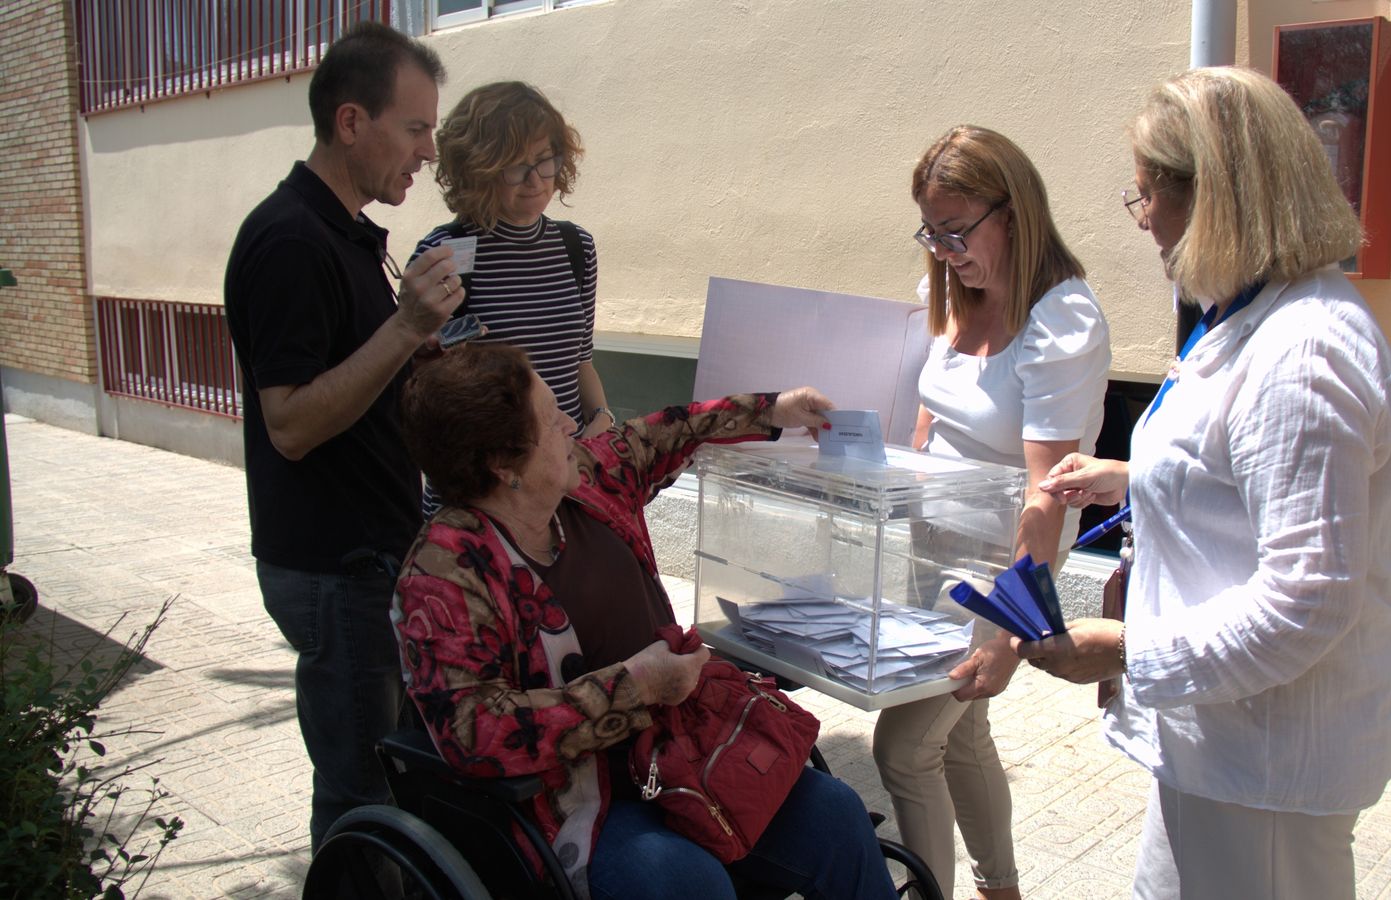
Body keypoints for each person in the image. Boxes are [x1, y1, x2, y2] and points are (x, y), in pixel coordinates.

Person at [1028, 66, 1391, 899]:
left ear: (1217, 198)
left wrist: (1127, 651)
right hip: (1223, 746)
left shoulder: (1304, 354)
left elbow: (1306, 600)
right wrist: (1135, 479)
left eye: (1146, 197)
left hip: (1267, 763)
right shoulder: (1251, 313)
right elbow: (1243, 472)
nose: (1142, 223)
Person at [392, 342, 899, 900]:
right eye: (549, 415)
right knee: (684, 882)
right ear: (505, 465)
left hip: (683, 753)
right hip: (579, 800)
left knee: (834, 813)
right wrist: (634, 688)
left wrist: (774, 410)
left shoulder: (583, 482)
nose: (569, 421)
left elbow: (664, 435)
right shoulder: (444, 574)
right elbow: (473, 730)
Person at [222, 22, 464, 851]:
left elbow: (353, 372)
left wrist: (412, 349)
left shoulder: (343, 231)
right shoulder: (292, 239)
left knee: (380, 786)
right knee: (362, 795)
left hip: (366, 556)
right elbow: (289, 424)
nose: (428, 151)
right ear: (352, 122)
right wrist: (402, 332)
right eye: (416, 127)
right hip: (336, 566)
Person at [876, 125, 1111, 900]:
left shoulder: (1061, 319)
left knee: (905, 746)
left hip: (1001, 564)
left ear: (1013, 214)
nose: (942, 251)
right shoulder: (948, 292)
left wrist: (1015, 632)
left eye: (956, 230)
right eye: (930, 232)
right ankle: (1000, 890)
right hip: (931, 542)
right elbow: (926, 423)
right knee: (961, 729)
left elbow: (1049, 494)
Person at [414, 80, 611, 439]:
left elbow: (581, 362)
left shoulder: (575, 245)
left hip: (566, 474)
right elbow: (428, 389)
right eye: (516, 165)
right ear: (479, 169)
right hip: (487, 481)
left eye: (544, 161)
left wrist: (602, 419)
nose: (535, 179)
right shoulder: (445, 253)